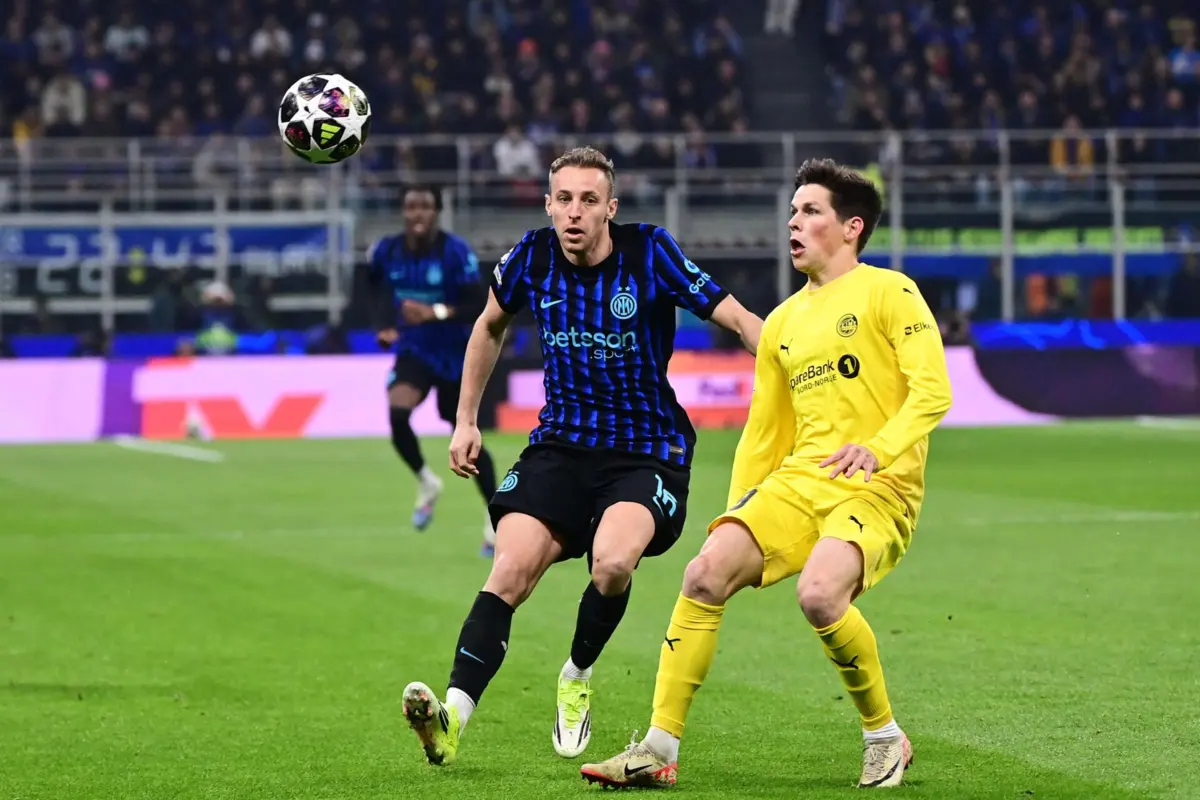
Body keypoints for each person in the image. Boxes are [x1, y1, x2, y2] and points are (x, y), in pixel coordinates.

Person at [579, 158, 953, 789]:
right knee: (704, 572)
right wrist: (737, 512)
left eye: (811, 211)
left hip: (878, 486)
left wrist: (879, 449)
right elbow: (765, 433)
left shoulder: (891, 291)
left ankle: (884, 736)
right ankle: (658, 749)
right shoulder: (780, 323)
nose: (794, 222)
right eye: (792, 211)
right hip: (800, 483)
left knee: (819, 594)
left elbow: (933, 391)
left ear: (852, 227)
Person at [398, 146, 764, 767]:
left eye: (589, 200)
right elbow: (489, 325)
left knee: (612, 564)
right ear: (548, 205)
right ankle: (451, 719)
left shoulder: (650, 252)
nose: (574, 212)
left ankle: (576, 675)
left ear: (610, 209)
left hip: (645, 449)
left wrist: (796, 366)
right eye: (563, 199)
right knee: (508, 572)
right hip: (562, 446)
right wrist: (465, 421)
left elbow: (736, 318)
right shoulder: (532, 256)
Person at [366, 184, 498, 556]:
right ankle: (426, 481)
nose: (417, 213)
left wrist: (435, 312)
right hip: (415, 350)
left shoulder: (455, 252)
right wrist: (384, 325)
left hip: (457, 354)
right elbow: (370, 287)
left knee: (467, 438)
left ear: (437, 212)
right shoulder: (386, 251)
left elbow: (479, 302)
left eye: (425, 206)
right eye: (411, 206)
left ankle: (495, 515)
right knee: (397, 411)